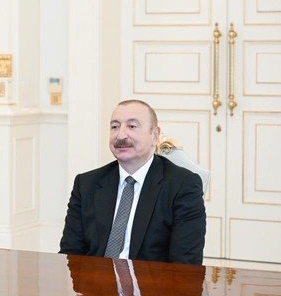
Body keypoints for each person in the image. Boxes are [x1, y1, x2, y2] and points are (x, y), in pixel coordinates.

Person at [59, 99, 205, 264]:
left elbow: (185, 264)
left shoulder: (183, 186)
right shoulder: (86, 184)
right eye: (115, 127)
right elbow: (70, 255)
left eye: (132, 126)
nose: (121, 135)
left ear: (155, 135)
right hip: (95, 279)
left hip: (152, 280)